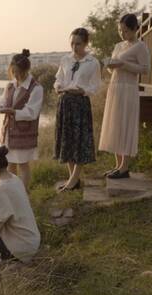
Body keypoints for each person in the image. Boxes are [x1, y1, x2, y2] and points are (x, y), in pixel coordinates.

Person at [98, 14, 150, 179]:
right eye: (121, 30)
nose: (123, 34)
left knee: (125, 124)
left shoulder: (140, 46)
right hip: (115, 88)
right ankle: (117, 165)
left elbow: (145, 69)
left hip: (128, 89)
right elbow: (112, 68)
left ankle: (124, 167)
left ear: (135, 28)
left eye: (126, 31)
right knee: (115, 125)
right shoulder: (119, 46)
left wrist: (123, 64)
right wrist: (110, 65)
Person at [54, 28, 102, 192]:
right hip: (65, 103)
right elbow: (59, 78)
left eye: (78, 44)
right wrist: (58, 87)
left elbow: (96, 86)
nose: (75, 47)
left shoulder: (92, 62)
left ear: (86, 43)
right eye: (72, 43)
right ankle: (73, 180)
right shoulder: (65, 59)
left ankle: (73, 180)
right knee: (67, 140)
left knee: (79, 141)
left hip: (80, 104)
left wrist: (82, 91)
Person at [0, 49, 44, 189]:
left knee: (23, 164)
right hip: (9, 132)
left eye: (19, 72)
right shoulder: (10, 85)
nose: (16, 76)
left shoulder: (36, 88)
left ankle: (23, 194)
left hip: (24, 132)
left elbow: (31, 112)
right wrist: (0, 106)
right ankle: (13, 191)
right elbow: (3, 99)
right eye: (14, 72)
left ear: (26, 70)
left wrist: (12, 111)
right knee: (10, 162)